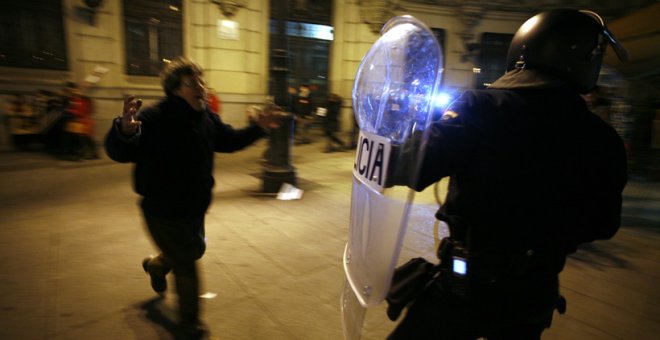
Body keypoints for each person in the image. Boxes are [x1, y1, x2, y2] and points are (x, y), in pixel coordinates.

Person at [386, 9, 628, 339]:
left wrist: (382, 148)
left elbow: (413, 165)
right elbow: (603, 224)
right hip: (534, 292)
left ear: (524, 49)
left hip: (466, 289)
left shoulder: (480, 106)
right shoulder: (603, 138)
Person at [104, 57, 279, 338]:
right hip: (162, 209)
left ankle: (156, 265)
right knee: (187, 264)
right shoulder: (155, 117)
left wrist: (259, 128)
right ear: (175, 90)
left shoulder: (206, 116)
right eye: (192, 83)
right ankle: (190, 323)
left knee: (193, 250)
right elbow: (122, 152)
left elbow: (229, 141)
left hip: (193, 208)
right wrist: (123, 130)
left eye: (201, 80)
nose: (201, 87)